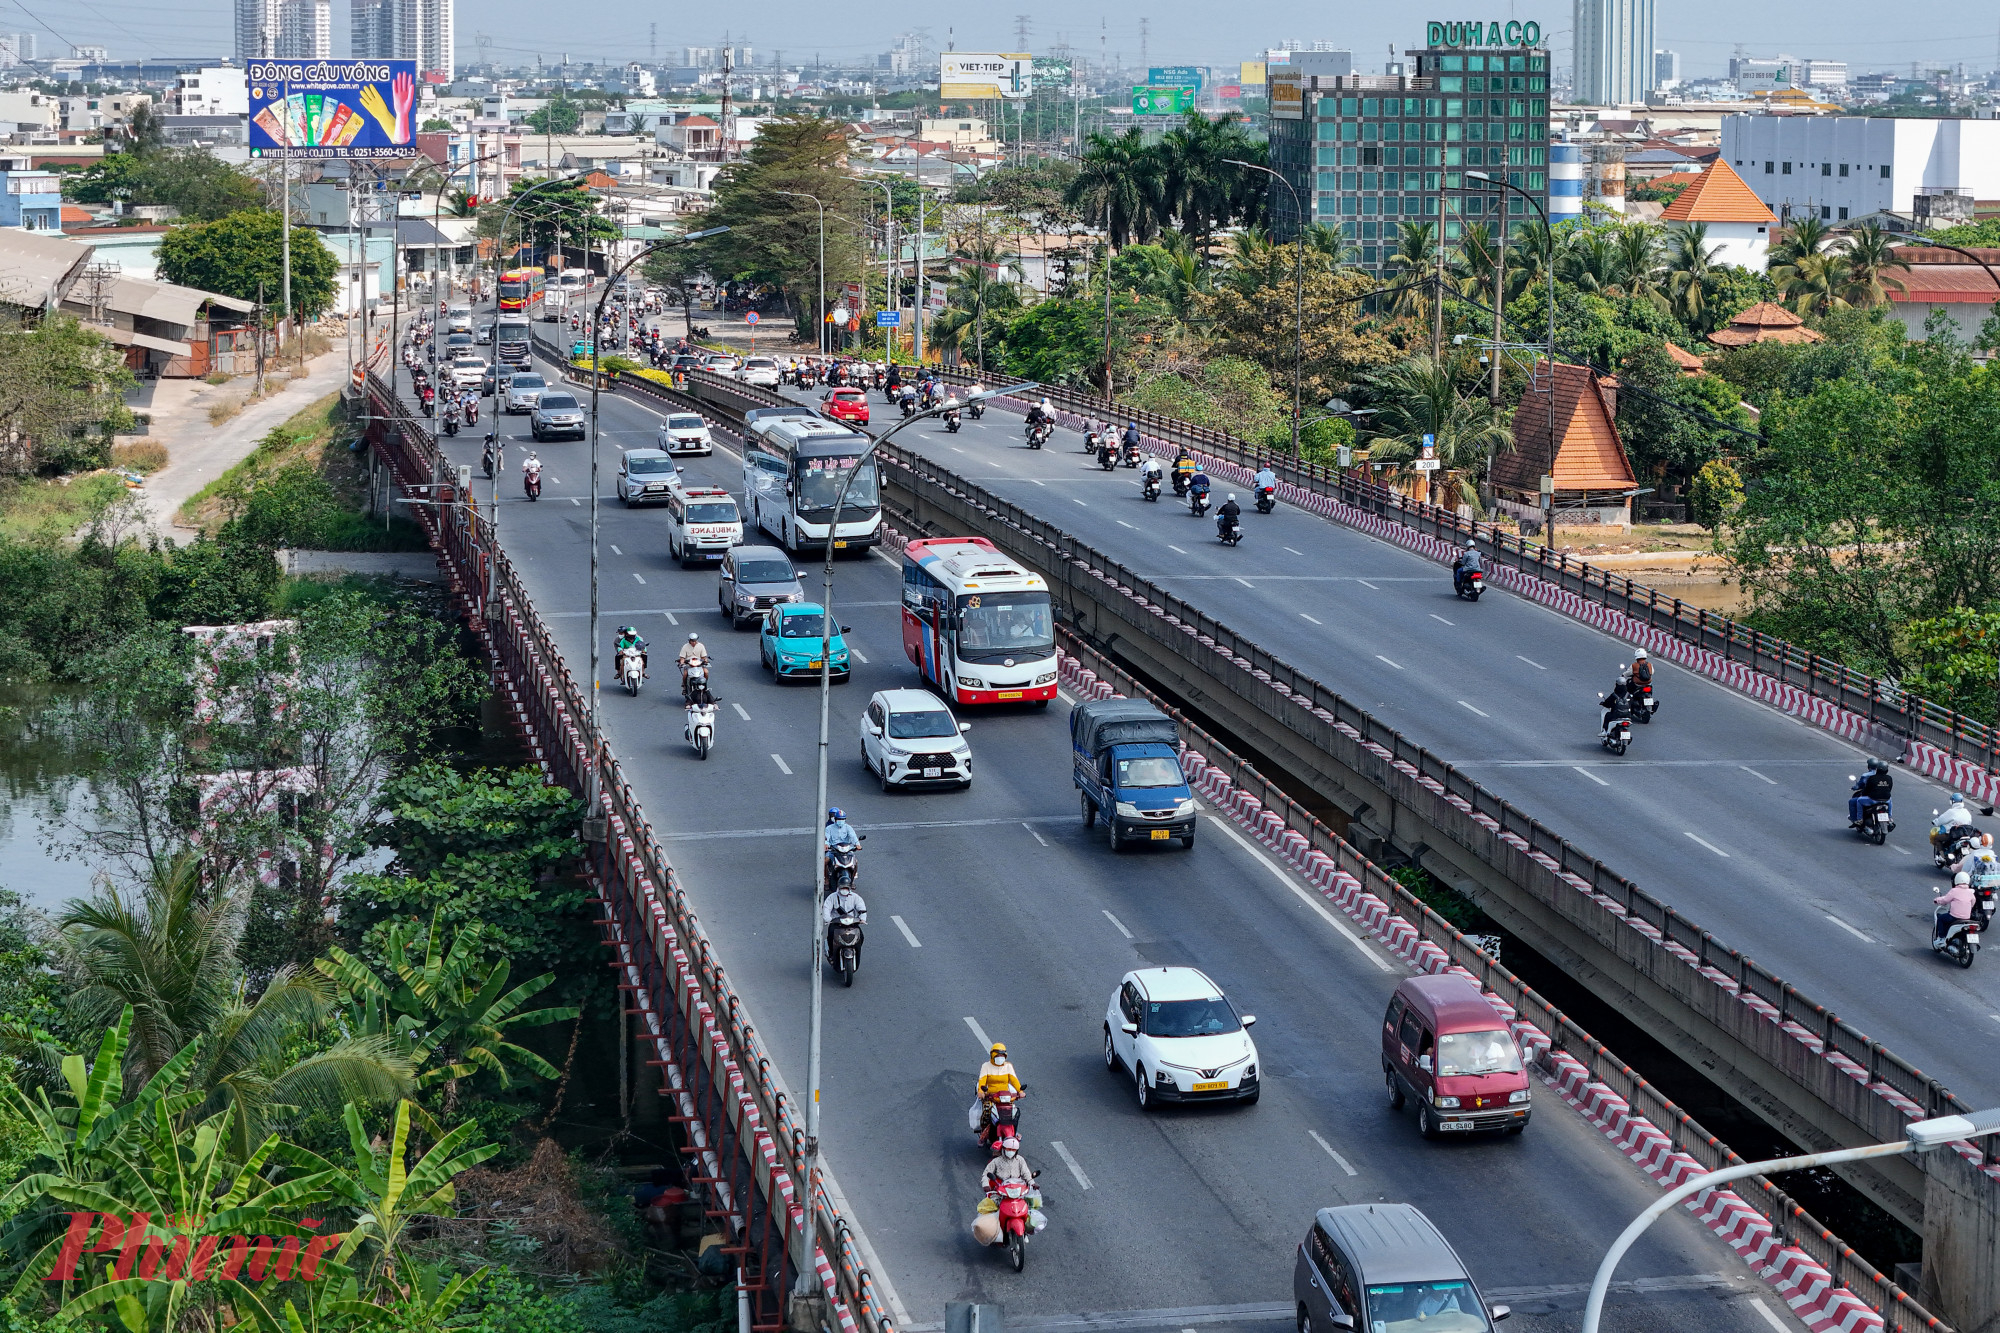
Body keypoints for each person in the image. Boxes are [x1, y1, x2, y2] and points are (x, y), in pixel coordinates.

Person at [1849, 758, 1894, 827]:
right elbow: (1889, 788)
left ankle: (1859, 820)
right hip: (1886, 799)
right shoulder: (1889, 778)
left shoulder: (1871, 777)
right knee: (1890, 799)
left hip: (1873, 799)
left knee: (1858, 800)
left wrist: (1863, 794)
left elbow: (1866, 789)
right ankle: (1890, 817)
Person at [1936, 871, 1975, 945]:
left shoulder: (1954, 891)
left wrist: (1937, 900)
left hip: (1954, 917)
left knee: (1941, 918)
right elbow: (1973, 902)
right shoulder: (1970, 892)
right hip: (1966, 918)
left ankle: (1941, 938)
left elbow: (1945, 900)